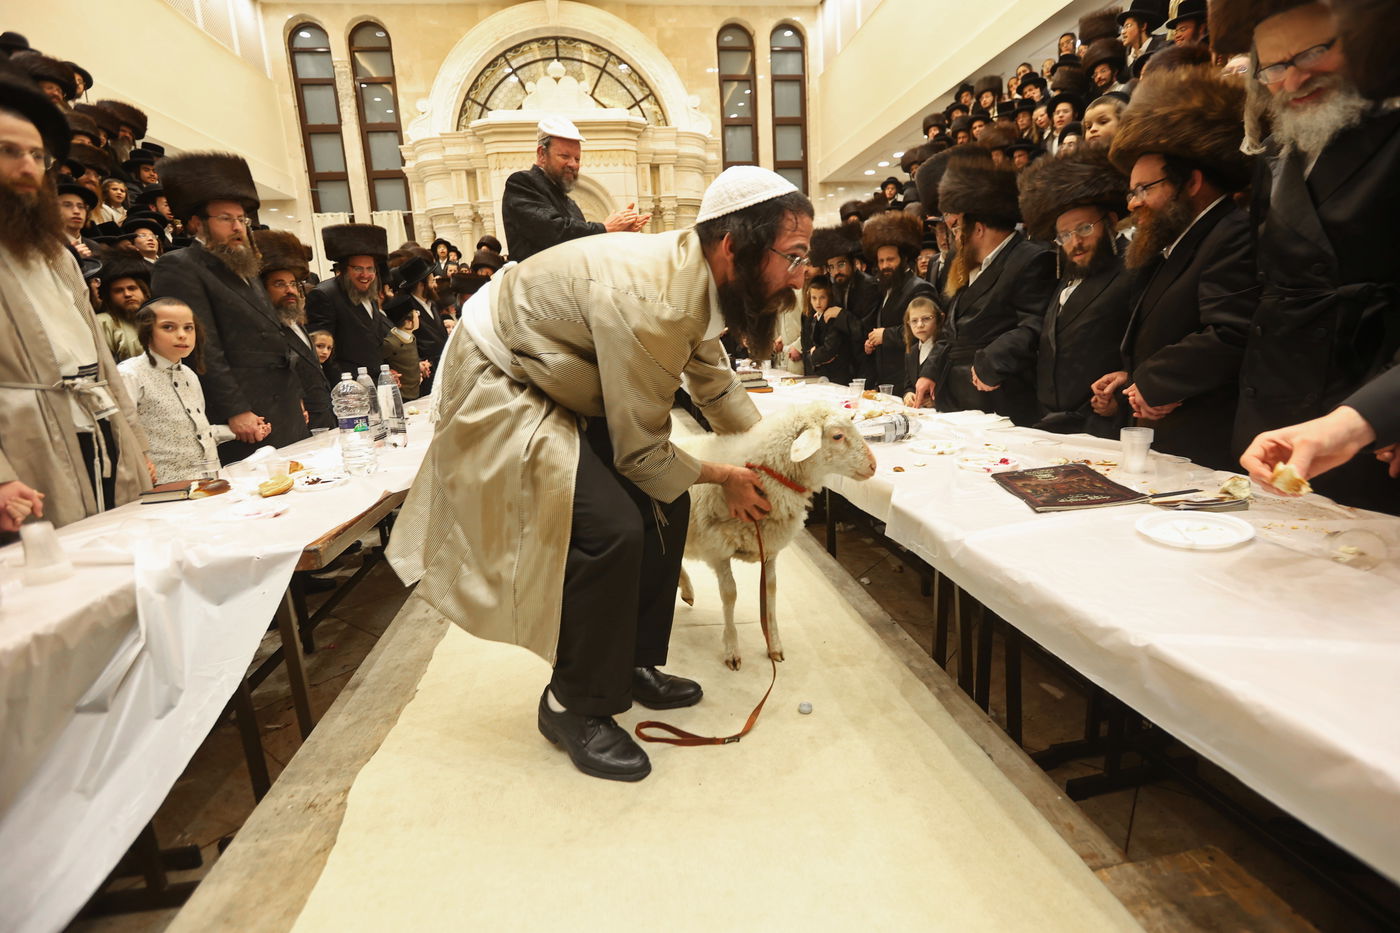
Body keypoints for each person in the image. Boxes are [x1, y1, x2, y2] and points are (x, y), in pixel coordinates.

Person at [388, 166, 809, 783]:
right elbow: (643, 454)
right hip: (503, 373)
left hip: (560, 366)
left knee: (665, 508)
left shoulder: (698, 277)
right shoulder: (658, 300)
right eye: (792, 257)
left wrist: (766, 466)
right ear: (734, 245)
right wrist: (724, 475)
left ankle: (630, 662)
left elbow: (715, 382)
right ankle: (571, 702)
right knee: (612, 527)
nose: (801, 276)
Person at [1209, 0, 1400, 513]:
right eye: (1273, 67)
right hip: (1274, 408)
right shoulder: (1275, 158)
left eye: (1314, 52)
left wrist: (1384, 414)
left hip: (1365, 412)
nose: (1293, 80)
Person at [0, 66, 152, 527]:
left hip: (99, 426)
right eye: (9, 152)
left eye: (37, 155)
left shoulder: (56, 252)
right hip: (26, 442)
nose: (28, 167)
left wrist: (137, 442)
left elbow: (102, 361)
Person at [1091, 66, 1257, 470]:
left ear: (1192, 182)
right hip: (1171, 437)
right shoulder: (1179, 242)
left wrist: (1152, 381)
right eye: (1131, 193)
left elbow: (1232, 332)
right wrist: (1131, 377)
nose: (1133, 203)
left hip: (1209, 442)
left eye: (1144, 189)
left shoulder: (1231, 232)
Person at [150, 151, 310, 460]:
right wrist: (235, 410)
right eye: (226, 219)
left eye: (241, 219)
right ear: (197, 223)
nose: (238, 227)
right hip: (244, 413)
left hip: (282, 404)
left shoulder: (245, 265)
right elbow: (201, 347)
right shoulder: (180, 266)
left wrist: (296, 397)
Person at [915, 152, 1056, 425]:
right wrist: (930, 371)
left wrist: (993, 359)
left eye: (957, 230)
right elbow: (950, 331)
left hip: (1000, 403)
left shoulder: (1032, 259)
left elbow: (1036, 326)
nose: (954, 238)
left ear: (977, 228)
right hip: (959, 402)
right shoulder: (967, 267)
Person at [1017, 149, 1134, 436]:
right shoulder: (1067, 278)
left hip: (1104, 424)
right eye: (1065, 235)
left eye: (1084, 228)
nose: (1075, 242)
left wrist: (1118, 397)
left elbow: (1145, 347)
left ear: (1110, 222)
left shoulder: (1133, 269)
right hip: (1052, 424)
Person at [119, 297, 250, 482]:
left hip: (209, 482)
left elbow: (196, 432)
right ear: (147, 332)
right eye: (168, 327)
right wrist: (140, 459)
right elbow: (121, 429)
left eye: (188, 327)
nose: (182, 335)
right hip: (166, 489)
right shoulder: (130, 374)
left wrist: (236, 431)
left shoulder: (189, 375)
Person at [500, 116, 649, 263]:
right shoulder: (522, 183)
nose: (573, 164)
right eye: (565, 156)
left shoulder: (569, 202)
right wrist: (605, 228)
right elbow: (552, 232)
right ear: (541, 154)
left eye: (577, 159)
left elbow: (581, 248)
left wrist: (616, 233)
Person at [254, 228, 334, 431]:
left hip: (323, 418)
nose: (289, 290)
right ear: (263, 290)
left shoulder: (297, 322)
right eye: (279, 284)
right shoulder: (268, 329)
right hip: (300, 423)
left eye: (292, 283)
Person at [860, 211, 938, 389]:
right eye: (881, 261)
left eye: (890, 260)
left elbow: (926, 328)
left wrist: (885, 335)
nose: (884, 266)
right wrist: (873, 340)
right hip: (886, 379)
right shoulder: (886, 287)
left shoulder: (919, 287)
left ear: (903, 259)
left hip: (909, 380)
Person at [305, 223, 392, 378]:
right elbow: (324, 354)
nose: (365, 275)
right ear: (344, 269)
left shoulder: (368, 294)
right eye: (358, 268)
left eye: (370, 269)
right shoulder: (324, 295)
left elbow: (373, 343)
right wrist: (348, 386)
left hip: (374, 383)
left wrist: (385, 373)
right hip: (348, 389)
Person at [801, 274, 859, 385]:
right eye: (814, 298)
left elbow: (829, 350)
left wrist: (813, 355)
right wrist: (812, 354)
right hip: (816, 375)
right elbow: (805, 345)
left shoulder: (833, 318)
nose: (818, 303)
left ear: (829, 297)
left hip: (836, 377)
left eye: (822, 297)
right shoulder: (811, 318)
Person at [96, 252, 149, 361]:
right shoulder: (103, 322)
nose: (127, 294)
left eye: (132, 288)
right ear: (109, 297)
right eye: (118, 291)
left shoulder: (158, 318)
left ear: (144, 292)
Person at [380, 292, 422, 401]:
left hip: (416, 391)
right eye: (416, 313)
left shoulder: (411, 337)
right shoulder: (391, 343)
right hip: (401, 396)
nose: (418, 315)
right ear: (408, 322)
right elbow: (377, 361)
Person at [902, 296, 939, 406]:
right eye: (914, 321)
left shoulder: (943, 350)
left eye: (926, 319)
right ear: (908, 324)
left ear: (938, 319)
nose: (920, 325)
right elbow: (908, 385)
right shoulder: (911, 352)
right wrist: (908, 394)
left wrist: (937, 401)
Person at [1119, 0, 1169, 71]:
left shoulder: (1164, 45)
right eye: (1123, 28)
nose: (1123, 32)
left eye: (1128, 26)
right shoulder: (1126, 59)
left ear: (1143, 26)